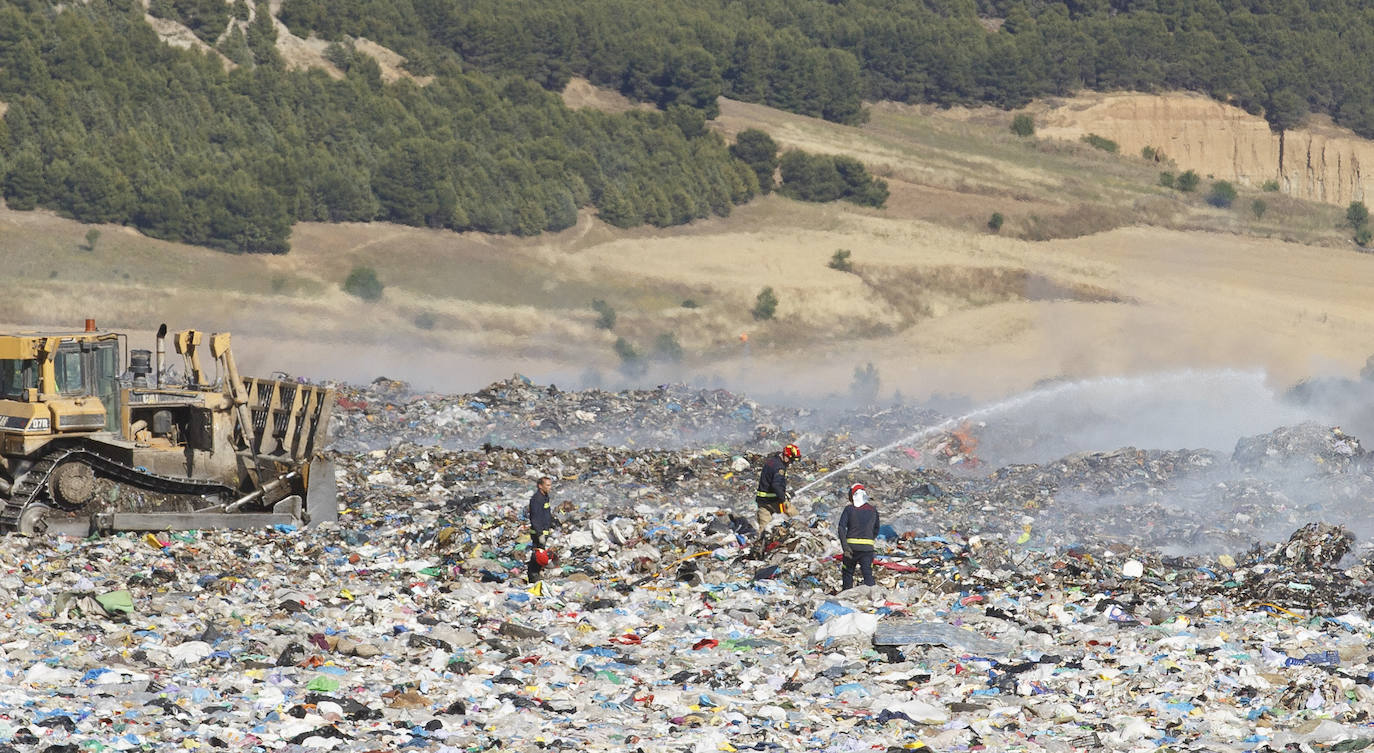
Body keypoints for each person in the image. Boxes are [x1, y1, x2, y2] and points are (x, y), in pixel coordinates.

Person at [837, 483, 879, 590]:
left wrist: (845, 547)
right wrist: (869, 540)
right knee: (867, 574)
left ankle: (846, 597)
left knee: (847, 573)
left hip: (851, 548)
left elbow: (841, 527)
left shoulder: (849, 509)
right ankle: (871, 599)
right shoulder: (873, 510)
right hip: (867, 549)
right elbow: (876, 529)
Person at [755, 444, 800, 530]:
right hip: (775, 501)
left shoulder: (772, 461)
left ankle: (761, 542)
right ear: (786, 456)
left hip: (762, 501)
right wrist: (783, 497)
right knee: (795, 517)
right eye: (791, 460)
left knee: (764, 528)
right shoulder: (779, 467)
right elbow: (776, 485)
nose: (791, 463)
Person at [527, 476, 555, 582]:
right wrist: (540, 534)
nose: (550, 487)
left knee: (541, 554)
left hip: (544, 532)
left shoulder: (545, 497)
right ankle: (533, 577)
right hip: (538, 533)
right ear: (540, 486)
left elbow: (546, 514)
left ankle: (536, 574)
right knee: (537, 555)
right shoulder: (536, 499)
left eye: (550, 485)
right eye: (547, 485)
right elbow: (535, 518)